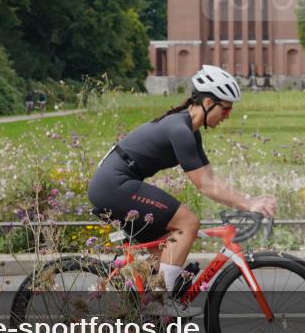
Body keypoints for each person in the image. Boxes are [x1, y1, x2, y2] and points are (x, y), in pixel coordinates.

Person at [87, 65, 277, 314]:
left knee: (164, 256)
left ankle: (142, 324)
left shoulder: (190, 132)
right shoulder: (180, 130)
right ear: (208, 102)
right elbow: (204, 185)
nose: (228, 115)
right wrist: (249, 204)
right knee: (187, 222)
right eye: (226, 108)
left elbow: (210, 178)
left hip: (113, 185)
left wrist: (249, 199)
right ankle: (158, 306)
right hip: (114, 186)